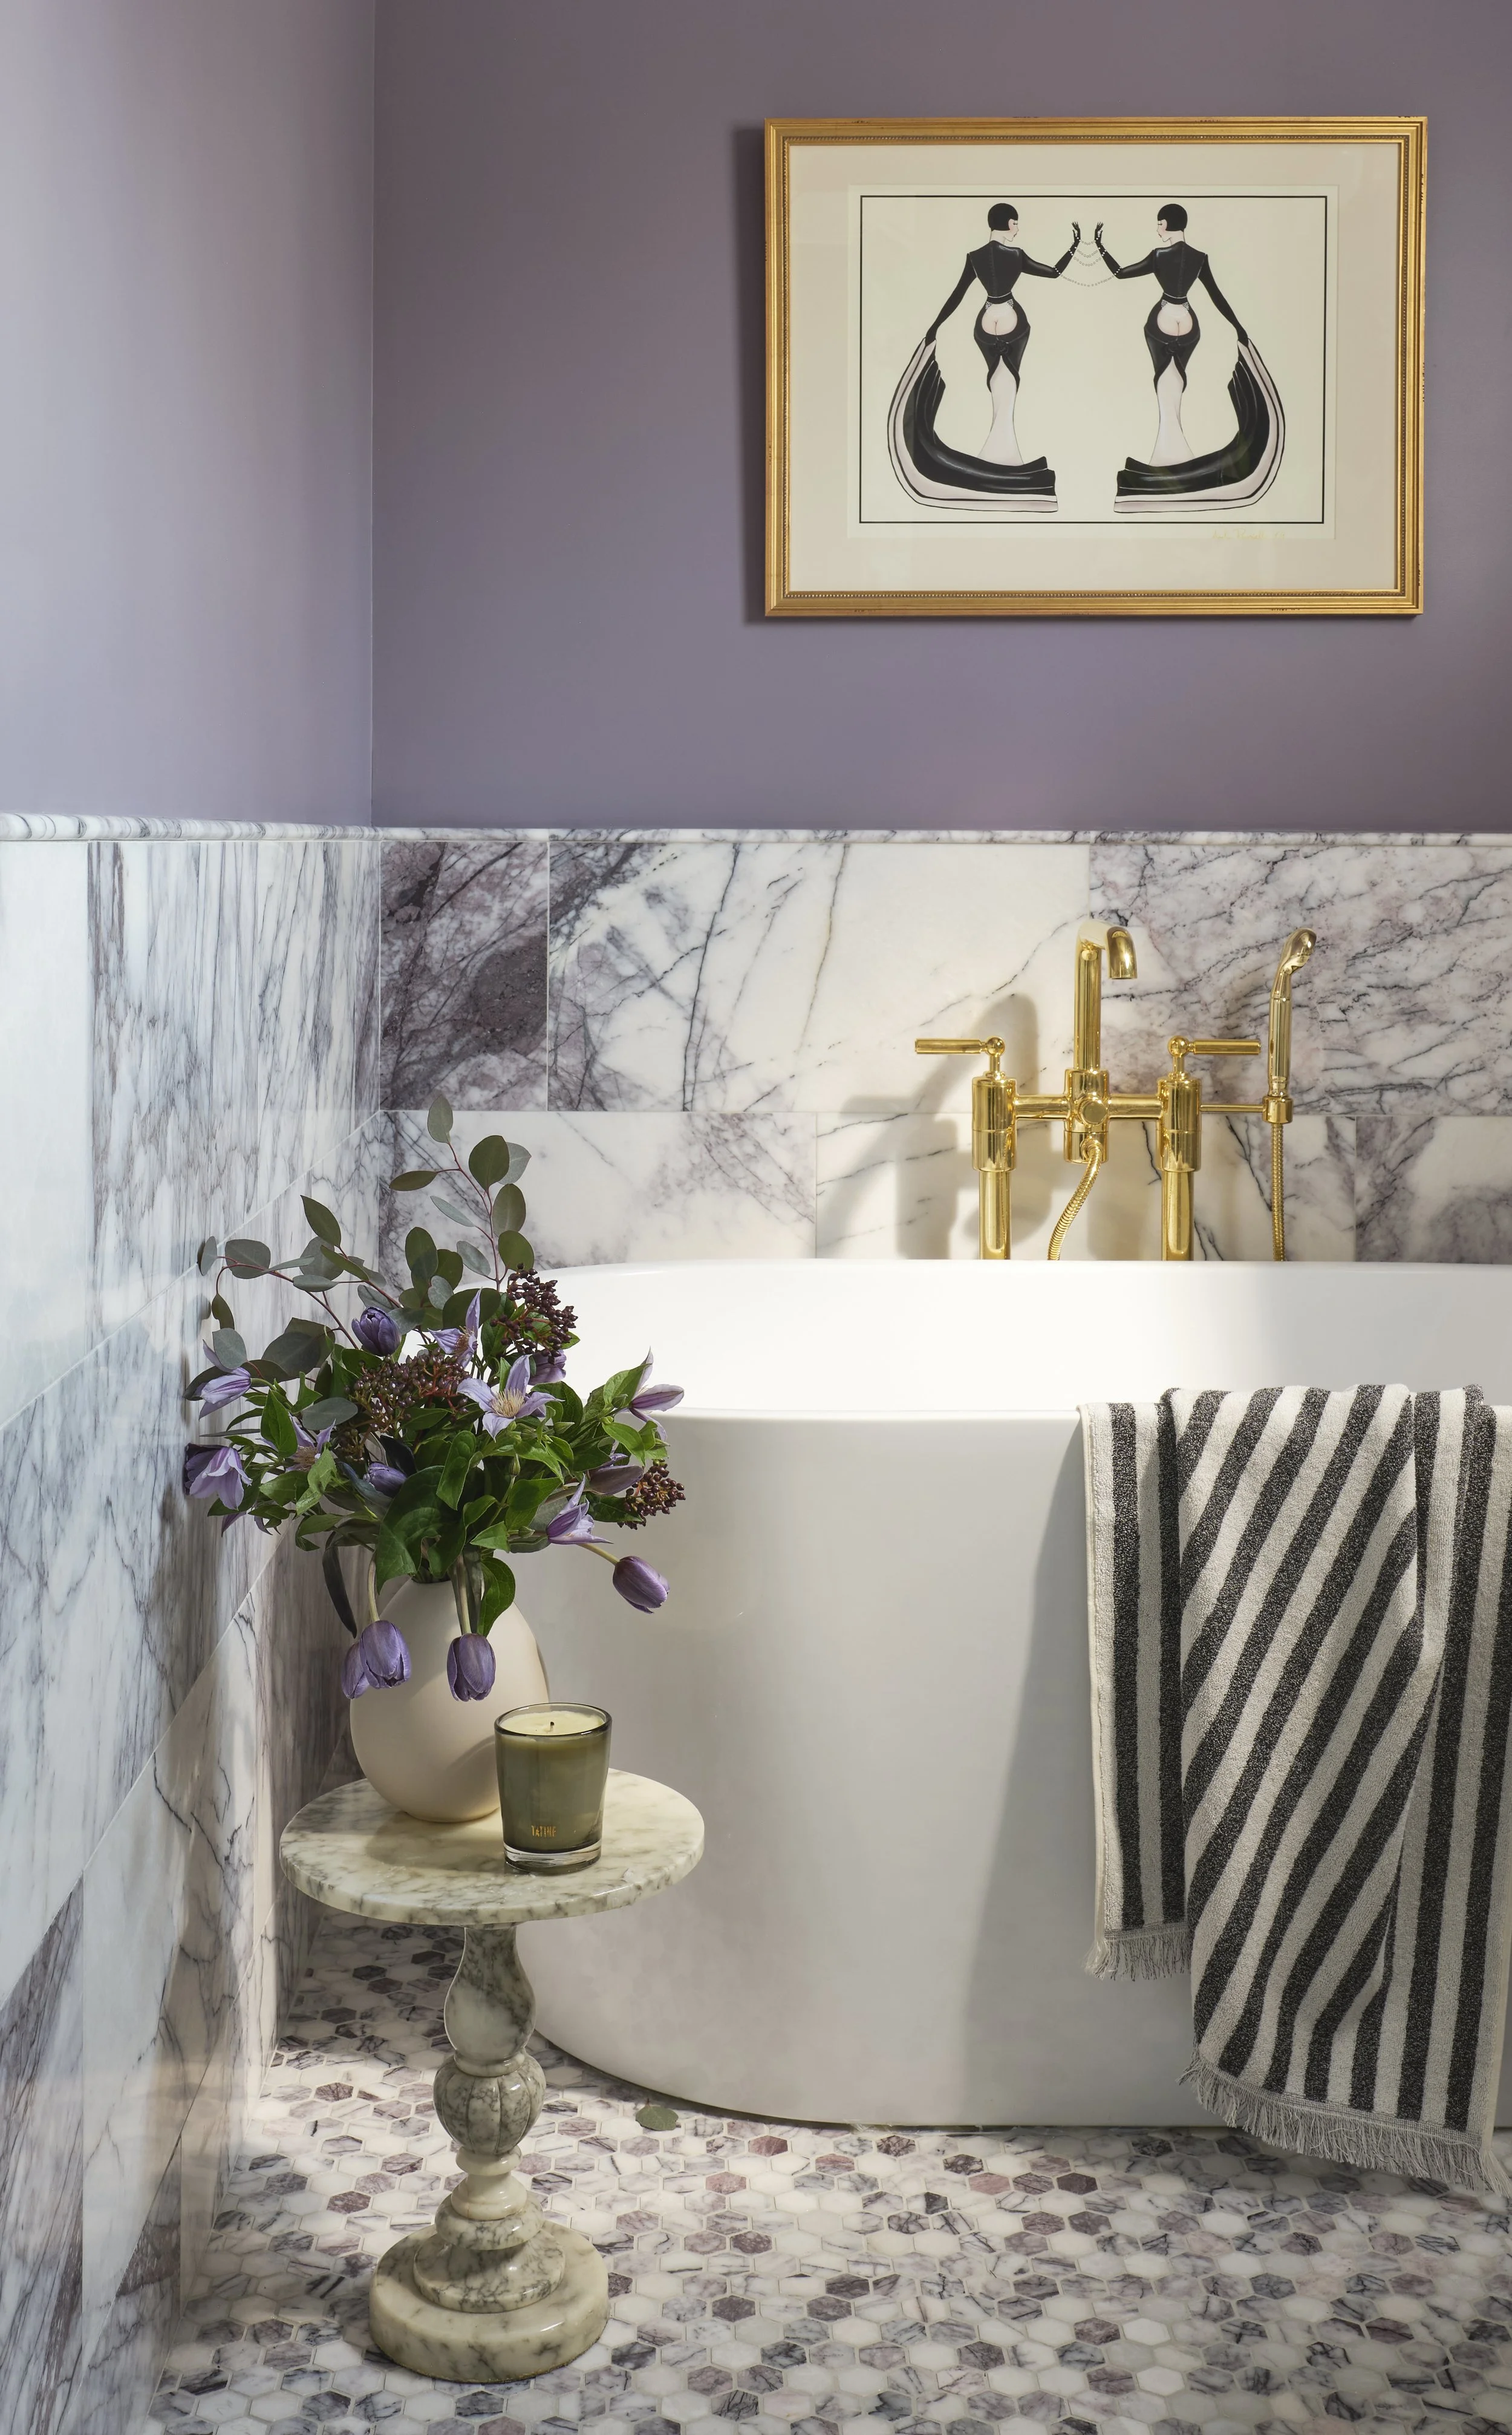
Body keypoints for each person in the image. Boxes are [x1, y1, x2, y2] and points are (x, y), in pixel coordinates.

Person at [887, 204, 1078, 512]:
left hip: (987, 317)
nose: (1018, 229)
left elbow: (958, 294)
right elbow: (1054, 272)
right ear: (1009, 224)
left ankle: (999, 458)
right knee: (1009, 383)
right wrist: (1072, 248)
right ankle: (1004, 459)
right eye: (1016, 224)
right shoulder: (1016, 256)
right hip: (1010, 314)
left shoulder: (975, 257)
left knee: (996, 383)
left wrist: (935, 325)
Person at [1093, 204, 1283, 511]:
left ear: (1167, 225)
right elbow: (1216, 295)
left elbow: (1120, 274)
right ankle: (1174, 458)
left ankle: (1168, 461)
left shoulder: (1159, 256)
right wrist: (1238, 327)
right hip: (1188, 318)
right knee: (1177, 383)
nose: (1157, 230)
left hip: (1165, 314)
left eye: (1159, 224)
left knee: (1164, 383)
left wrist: (1101, 247)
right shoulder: (1199, 257)